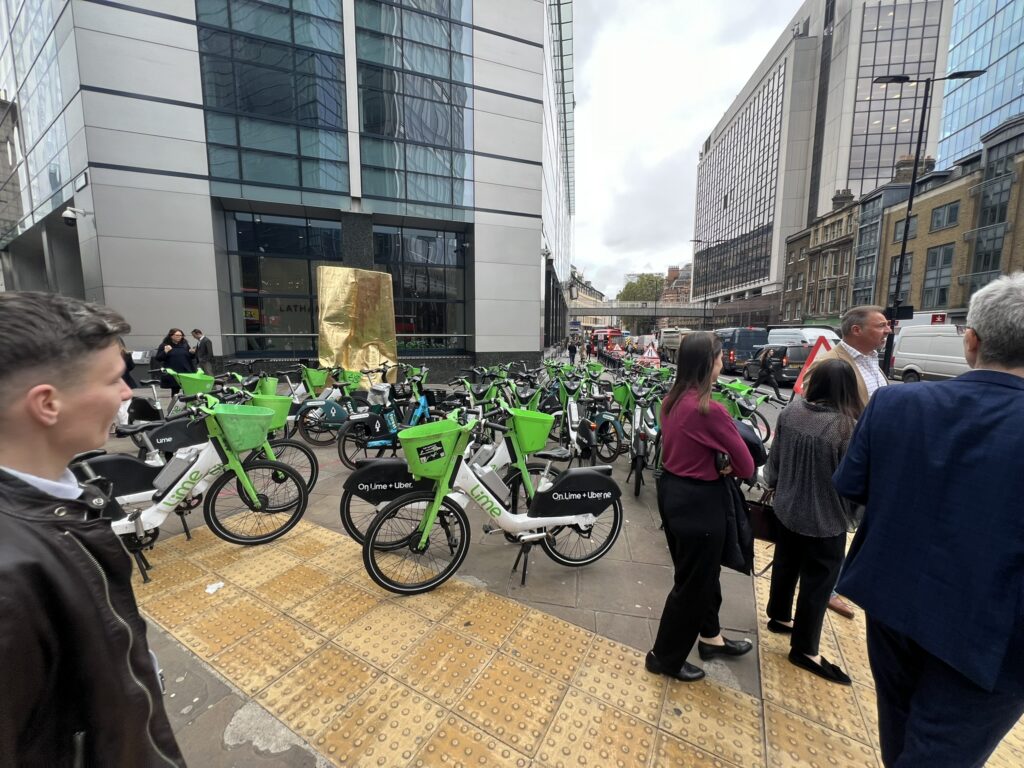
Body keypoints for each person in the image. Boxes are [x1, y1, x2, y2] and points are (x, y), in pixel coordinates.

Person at [833, 273, 1024, 767]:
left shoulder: (896, 402)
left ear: (973, 341)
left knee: (897, 735)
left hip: (893, 602)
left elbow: (850, 486)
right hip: (993, 636)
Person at [0, 292, 185, 766]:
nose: (127, 392)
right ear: (47, 404)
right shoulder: (11, 581)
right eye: (113, 380)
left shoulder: (58, 501)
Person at [646, 332, 756, 682]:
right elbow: (748, 466)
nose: (723, 363)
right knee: (693, 586)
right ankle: (663, 658)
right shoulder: (709, 409)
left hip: (673, 494)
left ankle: (710, 638)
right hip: (701, 503)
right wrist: (727, 466)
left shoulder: (672, 400)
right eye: (721, 357)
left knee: (698, 575)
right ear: (709, 363)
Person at [764, 358, 863, 685]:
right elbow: (854, 483)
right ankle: (805, 649)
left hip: (787, 509)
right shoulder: (846, 427)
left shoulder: (791, 413)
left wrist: (776, 484)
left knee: (785, 564)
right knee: (817, 584)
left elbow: (773, 464)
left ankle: (778, 616)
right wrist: (855, 515)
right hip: (825, 520)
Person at [803, 305, 892, 619]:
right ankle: (829, 587)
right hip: (845, 456)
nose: (888, 330)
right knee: (839, 524)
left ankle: (839, 583)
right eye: (881, 325)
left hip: (870, 455)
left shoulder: (872, 363)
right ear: (857, 330)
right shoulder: (830, 361)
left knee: (859, 524)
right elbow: (811, 406)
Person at [153, 327, 196, 396]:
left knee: (188, 390)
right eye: (177, 335)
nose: (179, 337)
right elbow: (158, 358)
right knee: (175, 391)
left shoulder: (184, 344)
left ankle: (188, 405)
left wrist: (192, 353)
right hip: (174, 372)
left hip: (186, 371)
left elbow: (190, 357)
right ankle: (175, 405)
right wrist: (165, 351)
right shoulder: (165, 345)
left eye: (181, 335)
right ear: (171, 336)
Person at [116, 338, 139, 427]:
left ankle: (124, 424)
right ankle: (124, 424)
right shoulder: (126, 355)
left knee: (120, 406)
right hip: (125, 380)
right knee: (125, 405)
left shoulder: (107, 355)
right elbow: (131, 367)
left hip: (116, 381)